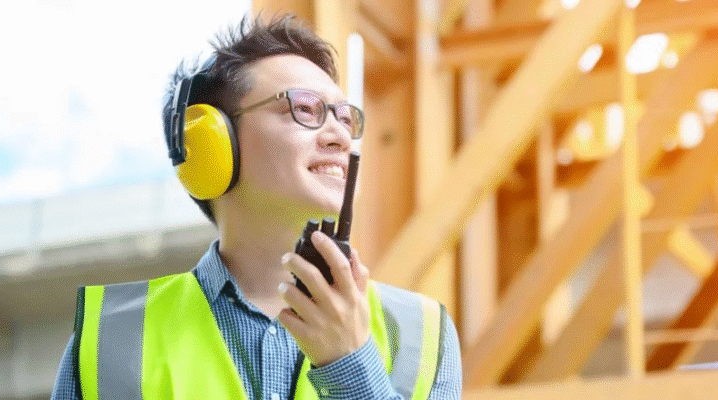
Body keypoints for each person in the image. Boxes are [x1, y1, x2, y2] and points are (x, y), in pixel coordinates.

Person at [51, 14, 462, 399]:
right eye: (304, 109)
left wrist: (351, 366)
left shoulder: (422, 337)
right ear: (212, 145)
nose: (339, 135)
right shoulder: (113, 342)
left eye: (344, 118)